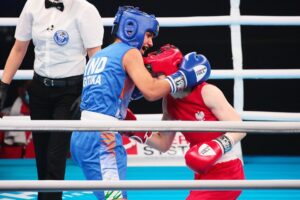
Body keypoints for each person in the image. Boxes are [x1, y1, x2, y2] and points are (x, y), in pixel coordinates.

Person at [70, 6, 211, 200]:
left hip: (82, 135)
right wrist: (182, 77)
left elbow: (117, 90)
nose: (150, 42)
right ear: (131, 28)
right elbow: (151, 92)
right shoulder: (130, 53)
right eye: (148, 35)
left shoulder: (101, 55)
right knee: (116, 198)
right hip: (103, 139)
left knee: (112, 197)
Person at [0, 0, 104, 199]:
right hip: (39, 90)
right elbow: (19, 48)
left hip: (69, 93)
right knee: (42, 159)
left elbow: (95, 58)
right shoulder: (32, 5)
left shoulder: (86, 10)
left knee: (54, 158)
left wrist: (88, 93)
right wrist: (3, 86)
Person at [124, 44, 246, 200]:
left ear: (173, 73)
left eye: (156, 75)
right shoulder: (168, 100)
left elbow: (240, 127)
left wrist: (216, 146)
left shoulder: (207, 92)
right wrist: (132, 129)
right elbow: (163, 143)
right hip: (201, 171)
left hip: (227, 170)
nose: (152, 81)